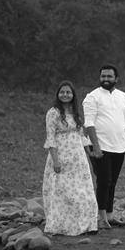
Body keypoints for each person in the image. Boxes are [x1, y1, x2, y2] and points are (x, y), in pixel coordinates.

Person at [83, 64, 125, 229]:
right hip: (99, 147)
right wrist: (96, 146)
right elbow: (89, 123)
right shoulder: (92, 97)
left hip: (119, 146)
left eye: (109, 76)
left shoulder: (123, 97)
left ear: (116, 79)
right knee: (103, 180)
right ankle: (101, 217)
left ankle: (110, 215)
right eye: (103, 76)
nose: (105, 79)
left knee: (112, 181)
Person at [42, 81, 98, 236]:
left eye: (68, 92)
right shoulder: (53, 113)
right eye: (62, 92)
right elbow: (51, 137)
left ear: (73, 95)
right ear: (58, 94)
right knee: (62, 191)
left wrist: (89, 152)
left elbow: (81, 134)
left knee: (82, 190)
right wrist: (55, 160)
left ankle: (87, 224)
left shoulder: (75, 112)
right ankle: (61, 225)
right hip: (61, 154)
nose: (65, 95)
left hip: (77, 157)